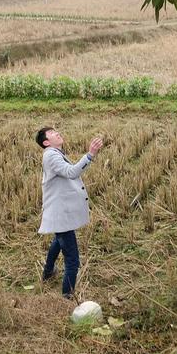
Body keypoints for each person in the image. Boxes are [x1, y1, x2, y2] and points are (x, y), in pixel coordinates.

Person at [36, 127, 103, 297]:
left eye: (56, 130)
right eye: (52, 133)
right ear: (46, 142)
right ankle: (67, 295)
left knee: (59, 240)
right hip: (61, 214)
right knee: (72, 259)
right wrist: (90, 155)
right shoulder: (51, 155)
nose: (57, 132)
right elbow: (71, 172)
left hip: (61, 212)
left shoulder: (54, 154)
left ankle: (48, 272)